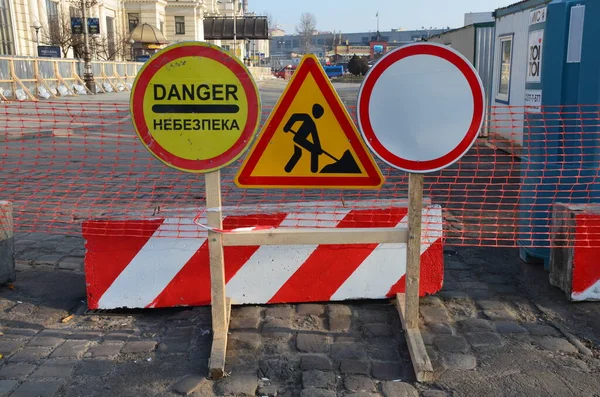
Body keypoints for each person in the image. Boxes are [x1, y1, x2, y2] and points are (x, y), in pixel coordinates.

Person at [283, 104, 325, 173]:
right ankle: (314, 170)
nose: (319, 116)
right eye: (319, 114)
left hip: (300, 140)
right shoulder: (307, 117)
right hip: (298, 139)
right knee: (307, 152)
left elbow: (315, 138)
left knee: (300, 153)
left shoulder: (312, 123)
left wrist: (319, 148)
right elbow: (294, 117)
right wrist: (287, 127)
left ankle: (288, 169)